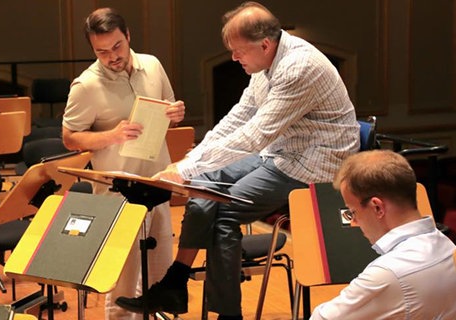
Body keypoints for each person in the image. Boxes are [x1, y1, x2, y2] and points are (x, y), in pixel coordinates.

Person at [116, 2, 359, 319]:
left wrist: (184, 168)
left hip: (316, 163)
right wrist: (189, 165)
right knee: (203, 185)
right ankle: (174, 285)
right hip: (279, 152)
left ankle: (227, 314)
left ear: (265, 44)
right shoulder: (265, 64)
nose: (233, 57)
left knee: (225, 215)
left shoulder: (299, 67)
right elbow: (237, 120)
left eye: (237, 51)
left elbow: (255, 136)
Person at [61, 7, 185, 320]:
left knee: (160, 277)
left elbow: (168, 111)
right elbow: (70, 138)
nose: (112, 56)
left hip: (157, 181)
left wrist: (176, 114)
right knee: (125, 285)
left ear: (128, 36)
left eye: (117, 46)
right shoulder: (85, 85)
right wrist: (111, 135)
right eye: (102, 51)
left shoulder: (153, 65)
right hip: (118, 192)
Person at [310, 149, 456, 319]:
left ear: (377, 207)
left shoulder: (387, 273)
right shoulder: (446, 245)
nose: (353, 222)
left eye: (352, 212)